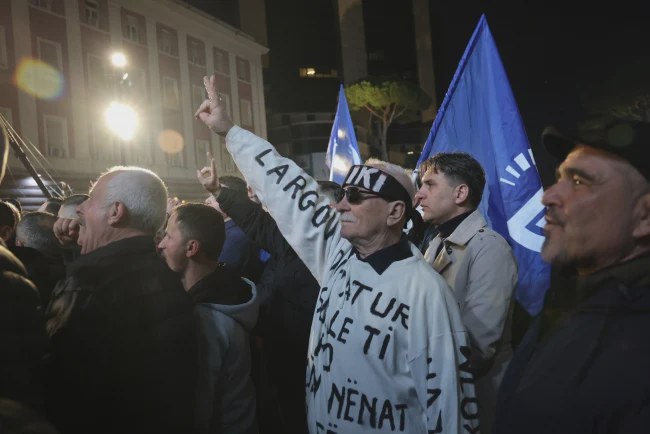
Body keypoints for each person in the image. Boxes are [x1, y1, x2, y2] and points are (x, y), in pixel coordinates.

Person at [195, 75, 478, 434]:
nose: (342, 205)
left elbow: (450, 408)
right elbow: (288, 188)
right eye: (343, 194)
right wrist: (229, 132)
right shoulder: (336, 254)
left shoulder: (426, 294)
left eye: (356, 197)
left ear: (394, 213)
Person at [494, 117, 650, 434]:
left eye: (579, 182)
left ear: (644, 217)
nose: (548, 196)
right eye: (559, 178)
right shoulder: (570, 297)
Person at [44, 166, 197, 434]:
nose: (80, 208)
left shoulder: (87, 285)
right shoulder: (170, 277)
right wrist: (77, 253)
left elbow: (59, 387)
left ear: (115, 212)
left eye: (91, 199)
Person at [210, 177, 339, 434]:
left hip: (311, 356)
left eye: (318, 207)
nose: (309, 213)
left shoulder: (339, 253)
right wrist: (219, 193)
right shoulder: (290, 242)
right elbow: (256, 222)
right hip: (278, 347)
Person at [415, 152, 517, 433]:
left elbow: (478, 344)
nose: (419, 195)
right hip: (443, 395)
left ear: (460, 193)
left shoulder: (490, 248)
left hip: (478, 400)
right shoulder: (436, 243)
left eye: (429, 184)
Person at [159, 203, 258, 434]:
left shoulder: (208, 321)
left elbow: (199, 408)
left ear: (191, 247)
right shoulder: (231, 288)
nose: (161, 243)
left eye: (168, 236)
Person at [204, 175, 264, 281]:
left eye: (215, 194)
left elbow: (214, 279)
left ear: (233, 199)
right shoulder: (229, 231)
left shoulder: (234, 238)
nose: (207, 200)